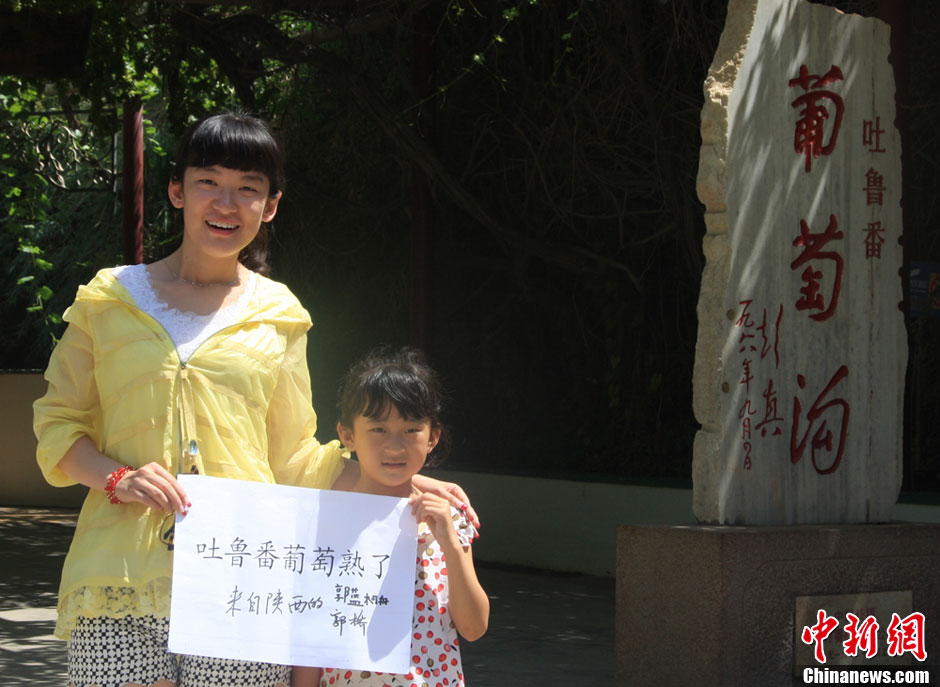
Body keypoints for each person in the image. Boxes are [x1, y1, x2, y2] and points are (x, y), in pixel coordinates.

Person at [33, 111, 477, 687]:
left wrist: (401, 477)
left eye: (248, 189)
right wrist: (118, 478)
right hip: (118, 571)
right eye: (208, 182)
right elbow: (58, 426)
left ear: (270, 206)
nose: (226, 203)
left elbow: (294, 456)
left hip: (243, 574)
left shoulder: (279, 314)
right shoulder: (108, 300)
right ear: (177, 190)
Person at [291, 347, 489, 687]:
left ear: (433, 437)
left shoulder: (448, 516)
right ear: (347, 435)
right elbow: (311, 625)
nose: (395, 447)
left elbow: (473, 628)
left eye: (412, 429)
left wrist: (451, 544)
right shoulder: (327, 513)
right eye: (378, 429)